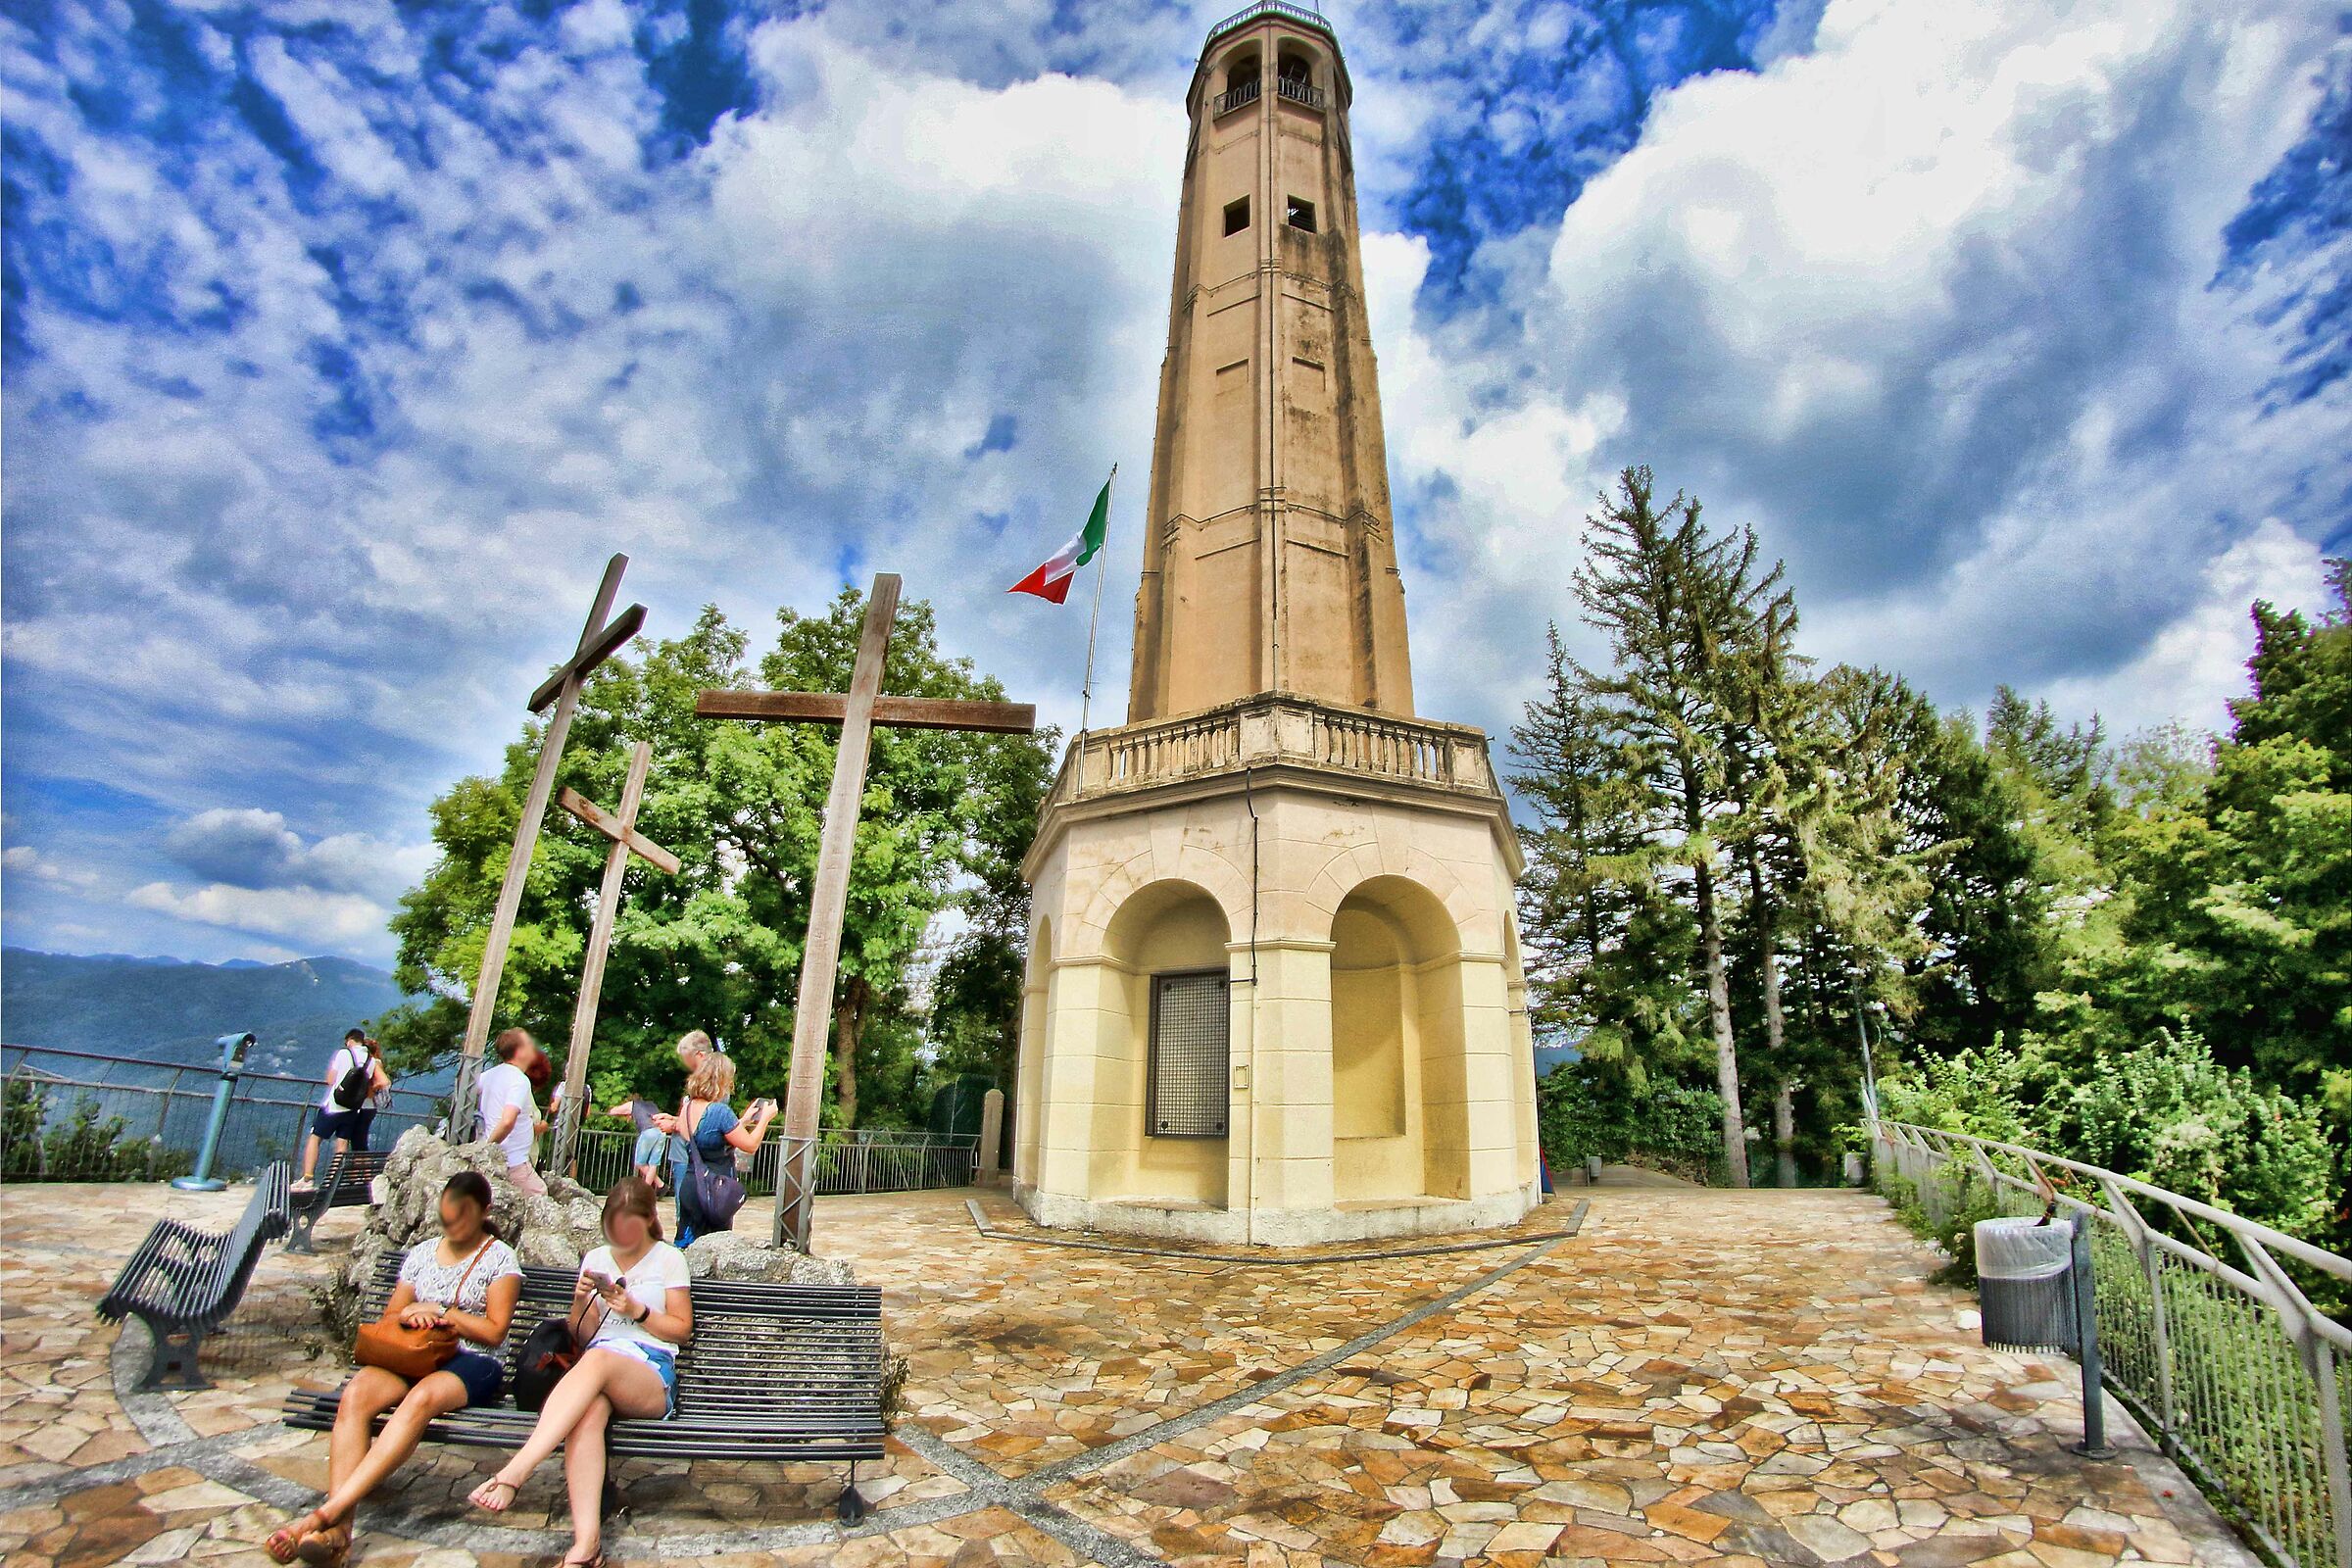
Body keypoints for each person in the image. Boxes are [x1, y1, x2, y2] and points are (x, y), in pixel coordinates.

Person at [267, 1171, 521, 1565]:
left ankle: (324, 1516)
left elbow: (494, 1330)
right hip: (412, 1353)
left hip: (472, 1360)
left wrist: (440, 1312)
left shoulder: (500, 1257)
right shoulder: (421, 1253)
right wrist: (411, 1316)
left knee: (419, 1400)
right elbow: (392, 1314)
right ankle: (340, 1531)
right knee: (355, 1397)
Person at [468, 1177, 690, 1568]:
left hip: (649, 1370)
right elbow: (582, 1336)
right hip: (596, 1366)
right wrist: (580, 1301)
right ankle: (587, 1547)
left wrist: (636, 1310)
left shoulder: (669, 1259)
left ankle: (516, 1471)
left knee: (598, 1363)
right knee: (587, 1413)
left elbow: (681, 1331)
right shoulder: (596, 1259)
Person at [655, 1051, 776, 1247]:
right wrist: (765, 1119)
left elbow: (713, 1134)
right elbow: (751, 1145)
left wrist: (744, 1120)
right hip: (715, 1189)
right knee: (713, 1247)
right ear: (722, 1079)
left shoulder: (688, 1106)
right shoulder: (719, 1111)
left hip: (691, 1183)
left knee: (686, 1242)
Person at [295, 1029, 388, 1194]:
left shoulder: (343, 1054)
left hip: (333, 1105)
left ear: (350, 1040)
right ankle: (335, 1179)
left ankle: (308, 1178)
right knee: (342, 1143)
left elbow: (330, 1080)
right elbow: (380, 1081)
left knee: (315, 1138)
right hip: (353, 1107)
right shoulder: (371, 1061)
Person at [476, 1029, 548, 1196]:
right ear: (520, 1052)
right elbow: (508, 1121)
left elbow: (468, 1090)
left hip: (498, 1158)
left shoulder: (489, 1075)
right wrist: (488, 1149)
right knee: (540, 1196)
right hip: (513, 1160)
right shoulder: (519, 1080)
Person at [348, 1036, 393, 1152]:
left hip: (366, 1106)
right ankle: (360, 1169)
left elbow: (384, 1082)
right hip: (369, 1107)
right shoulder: (376, 1061)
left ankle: (361, 1169)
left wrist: (369, 1090)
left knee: (359, 1143)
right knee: (359, 1142)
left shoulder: (374, 1063)